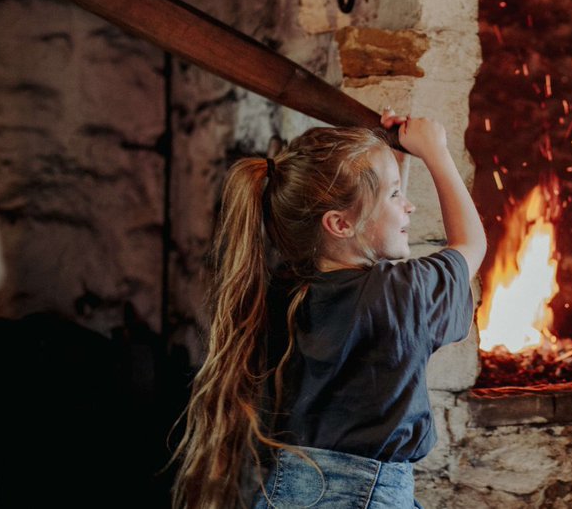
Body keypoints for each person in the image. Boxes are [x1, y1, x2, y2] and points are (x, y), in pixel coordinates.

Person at [170, 110, 485, 509]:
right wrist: (437, 154)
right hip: (364, 498)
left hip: (287, 491)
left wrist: (390, 160)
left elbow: (370, 226)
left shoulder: (285, 288)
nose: (409, 207)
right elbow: (471, 246)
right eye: (394, 194)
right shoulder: (399, 293)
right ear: (338, 224)